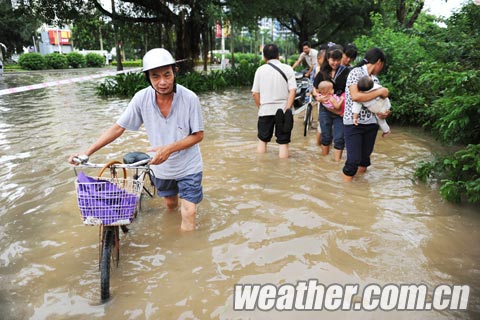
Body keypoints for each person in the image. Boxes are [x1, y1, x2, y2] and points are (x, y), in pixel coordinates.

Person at [68, 48, 204, 231]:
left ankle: (187, 254)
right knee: (171, 205)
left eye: (167, 75)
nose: (162, 82)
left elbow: (198, 135)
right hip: (161, 167)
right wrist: (87, 152)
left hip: (189, 166)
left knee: (189, 212)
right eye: (155, 77)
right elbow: (118, 128)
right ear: (148, 77)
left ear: (175, 72)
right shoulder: (141, 99)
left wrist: (169, 149)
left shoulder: (190, 99)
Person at [342, 48, 391, 182]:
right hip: (354, 123)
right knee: (352, 162)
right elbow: (356, 96)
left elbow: (377, 103)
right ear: (379, 62)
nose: (381, 68)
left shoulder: (375, 79)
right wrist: (381, 91)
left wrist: (383, 113)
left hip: (371, 123)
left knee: (364, 161)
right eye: (382, 65)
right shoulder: (356, 73)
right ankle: (344, 194)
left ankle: (360, 191)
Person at [252, 43, 296, 158]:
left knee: (262, 140)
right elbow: (293, 90)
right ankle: (284, 170)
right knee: (283, 143)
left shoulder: (260, 70)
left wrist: (261, 107)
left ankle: (261, 166)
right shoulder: (288, 69)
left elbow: (255, 93)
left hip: (265, 110)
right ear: (278, 55)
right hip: (282, 110)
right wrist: (288, 108)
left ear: (264, 57)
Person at [313, 44, 350, 161]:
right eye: (333, 60)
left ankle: (336, 163)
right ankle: (325, 162)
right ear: (328, 59)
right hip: (325, 110)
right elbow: (314, 89)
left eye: (338, 60)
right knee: (326, 136)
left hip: (340, 111)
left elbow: (350, 91)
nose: (335, 63)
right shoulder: (322, 73)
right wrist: (317, 97)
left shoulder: (346, 72)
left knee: (339, 138)